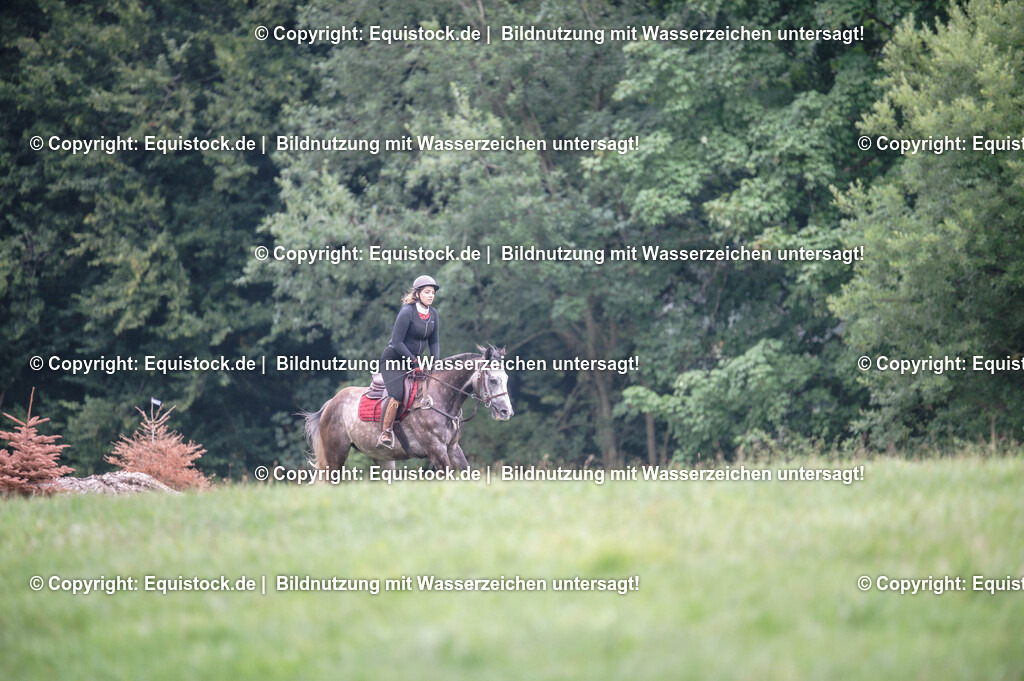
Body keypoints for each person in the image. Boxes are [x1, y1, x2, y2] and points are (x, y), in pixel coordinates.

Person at [377, 275, 440, 448]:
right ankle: (385, 432)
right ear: (418, 293)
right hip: (393, 360)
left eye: (433, 293)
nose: (430, 296)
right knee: (397, 394)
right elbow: (397, 342)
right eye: (427, 292)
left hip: (413, 362)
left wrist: (435, 362)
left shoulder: (433, 313)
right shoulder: (407, 311)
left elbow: (434, 342)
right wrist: (414, 362)